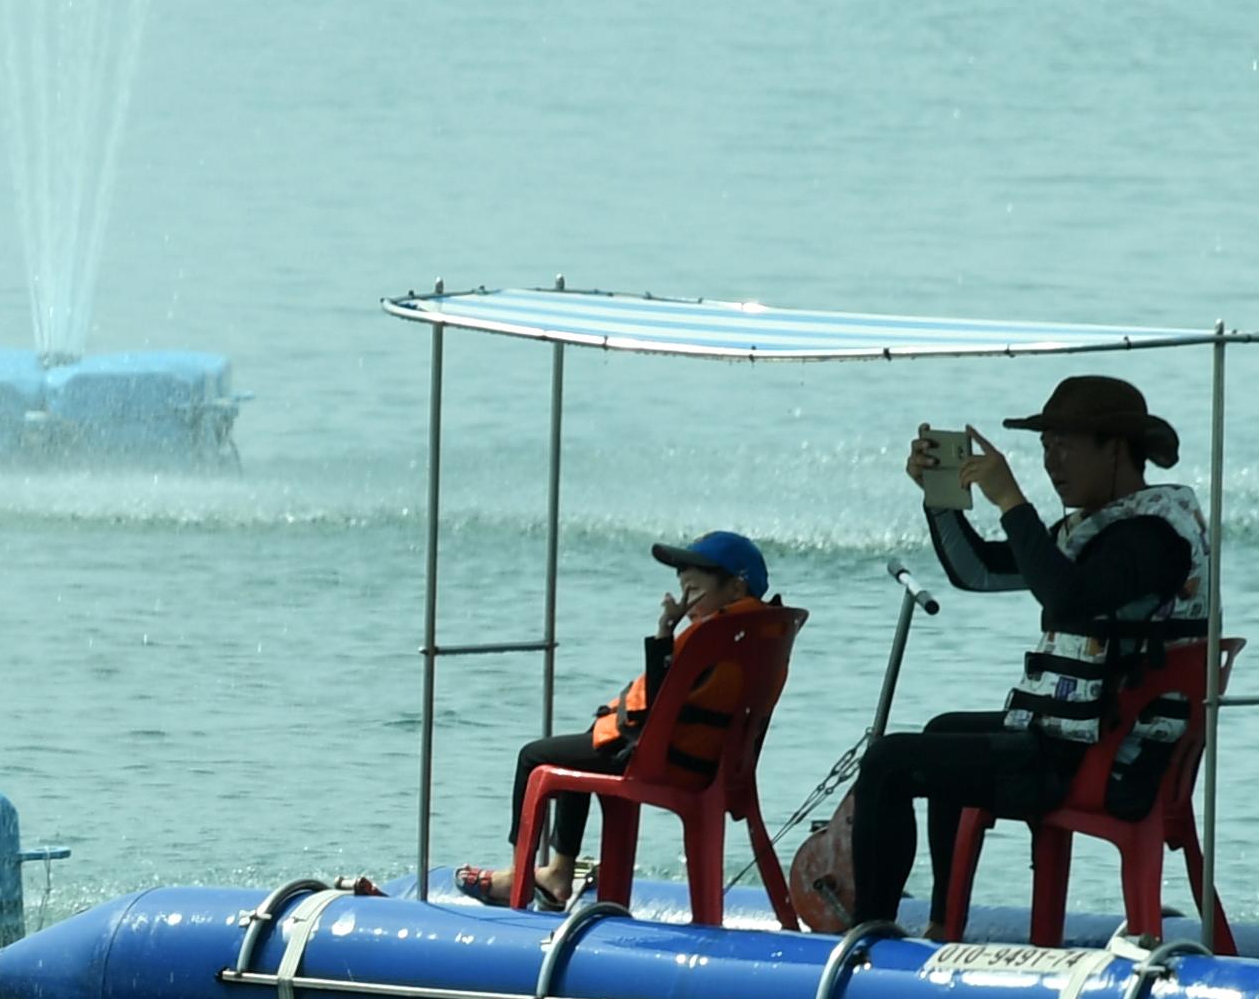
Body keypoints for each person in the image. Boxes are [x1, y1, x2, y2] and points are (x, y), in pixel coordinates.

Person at [843, 373, 1210, 932]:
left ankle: (868, 935)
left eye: (1065, 444)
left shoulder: (1151, 539)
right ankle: (944, 924)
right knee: (943, 732)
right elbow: (980, 573)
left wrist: (1012, 500)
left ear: (1115, 447)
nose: (1051, 461)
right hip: (1085, 742)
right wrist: (942, 500)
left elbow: (1066, 597)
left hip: (1106, 761)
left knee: (888, 761)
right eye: (1044, 446)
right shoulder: (1102, 530)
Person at [461, 532, 776, 909]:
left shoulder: (711, 637)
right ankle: (559, 874)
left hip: (664, 763)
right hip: (711, 765)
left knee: (534, 757)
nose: (685, 599)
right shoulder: (759, 634)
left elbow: (660, 702)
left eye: (695, 589)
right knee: (583, 748)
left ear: (736, 585)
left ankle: (518, 878)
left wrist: (664, 632)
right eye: (682, 587)